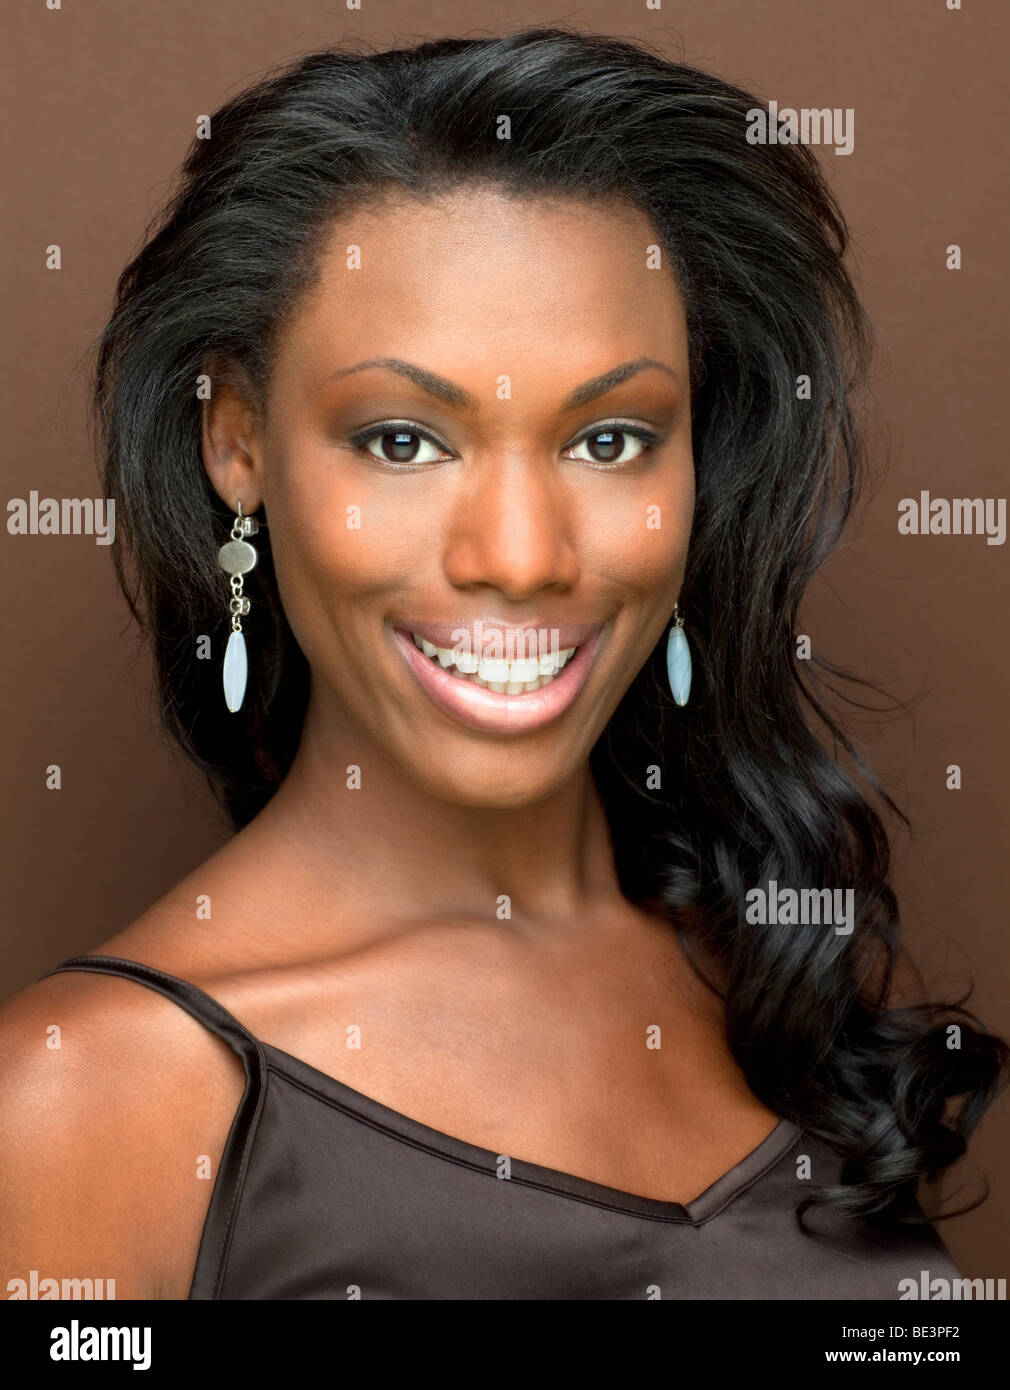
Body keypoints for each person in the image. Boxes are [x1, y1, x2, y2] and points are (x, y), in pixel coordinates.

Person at [1, 27, 1005, 1301]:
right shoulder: (87, 1100)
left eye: (610, 439)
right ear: (238, 443)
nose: (521, 557)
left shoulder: (789, 970)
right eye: (404, 439)